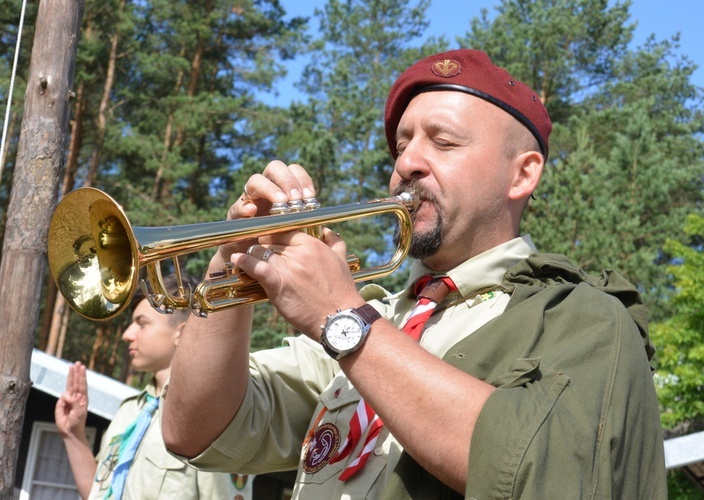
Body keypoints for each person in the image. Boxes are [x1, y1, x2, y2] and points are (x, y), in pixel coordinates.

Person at [161, 49, 668, 499]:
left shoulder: (583, 319)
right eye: (400, 146)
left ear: (523, 173)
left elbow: (539, 469)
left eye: (443, 142)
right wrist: (232, 256)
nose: (408, 163)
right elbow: (195, 429)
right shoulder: (380, 318)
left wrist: (342, 316)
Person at [54, 273, 251, 499]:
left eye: (142, 324)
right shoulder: (130, 412)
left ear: (183, 333)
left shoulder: (209, 418)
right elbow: (98, 493)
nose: (127, 335)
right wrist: (73, 434)